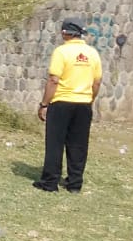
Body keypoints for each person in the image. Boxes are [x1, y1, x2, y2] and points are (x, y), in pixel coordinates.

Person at [33, 18, 103, 193]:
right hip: (84, 104)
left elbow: (53, 80)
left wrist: (44, 104)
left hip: (61, 103)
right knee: (78, 145)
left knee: (55, 143)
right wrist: (90, 99)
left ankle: (50, 182)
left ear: (65, 33)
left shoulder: (61, 52)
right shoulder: (92, 53)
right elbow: (97, 82)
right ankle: (74, 184)